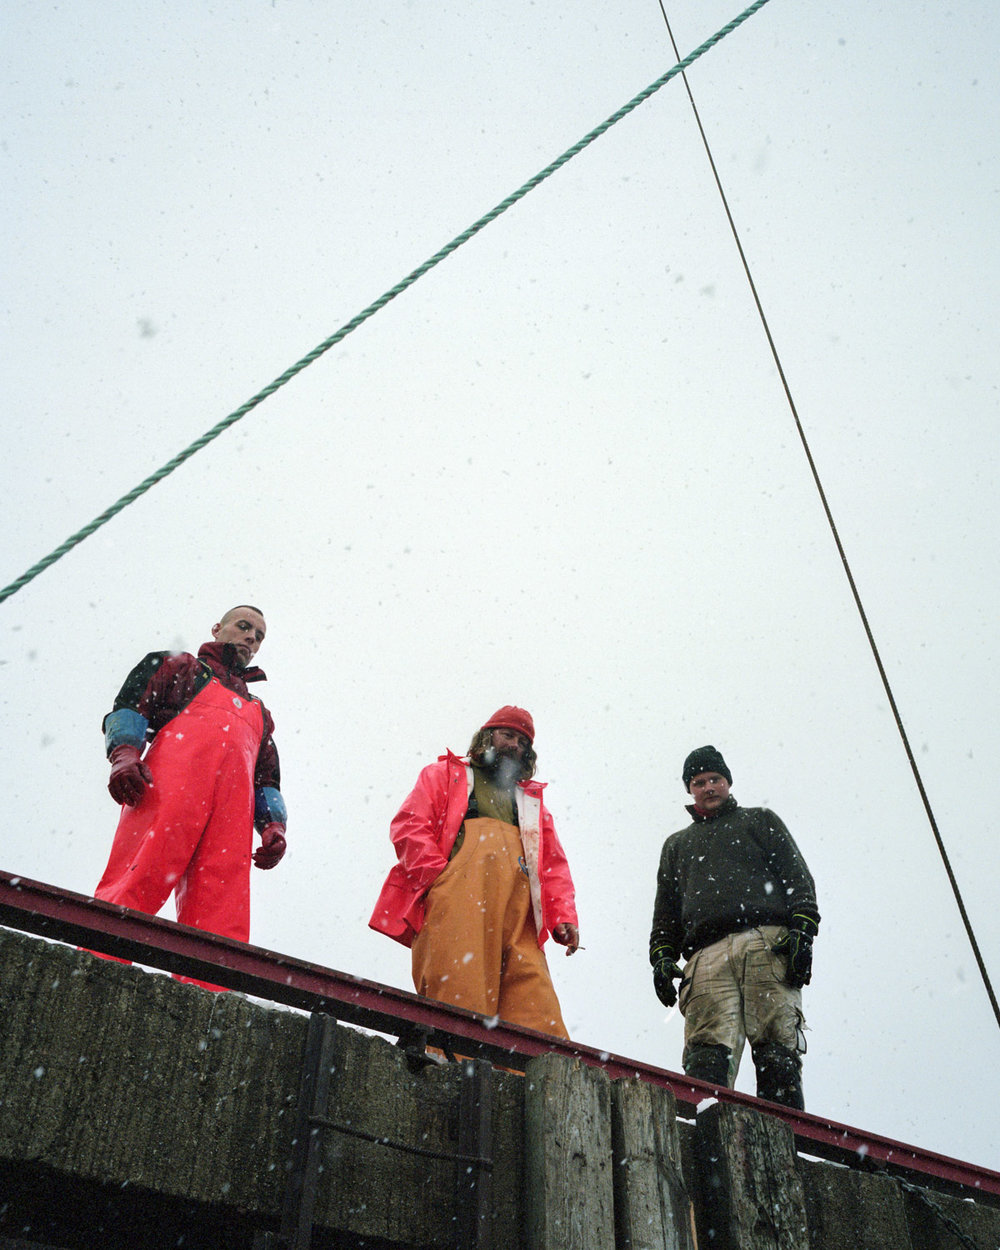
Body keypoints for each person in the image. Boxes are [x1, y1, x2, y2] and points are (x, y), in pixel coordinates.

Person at [94, 605, 287, 980]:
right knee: (138, 876)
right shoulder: (179, 668)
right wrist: (124, 753)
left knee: (222, 908)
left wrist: (273, 825)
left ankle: (211, 997)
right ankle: (99, 969)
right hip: (170, 789)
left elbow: (267, 778)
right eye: (244, 626)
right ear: (218, 628)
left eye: (259, 635)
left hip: (231, 814)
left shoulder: (259, 712)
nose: (251, 637)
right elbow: (131, 705)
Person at [370, 706, 580, 1037]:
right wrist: (440, 879)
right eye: (507, 735)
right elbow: (410, 825)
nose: (514, 746)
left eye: (523, 742)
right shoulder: (445, 775)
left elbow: (552, 865)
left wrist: (563, 916)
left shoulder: (531, 802)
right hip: (459, 905)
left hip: (519, 915)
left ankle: (527, 1082)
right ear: (487, 737)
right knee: (459, 998)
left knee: (537, 1019)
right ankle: (449, 1072)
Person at [649, 745, 819, 1109]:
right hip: (705, 953)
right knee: (708, 1049)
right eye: (699, 782)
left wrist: (803, 932)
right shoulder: (677, 846)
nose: (709, 787)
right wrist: (661, 958)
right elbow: (666, 913)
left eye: (715, 779)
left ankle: (781, 1131)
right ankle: (706, 1132)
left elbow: (797, 880)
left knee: (776, 1041)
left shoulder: (760, 821)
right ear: (689, 789)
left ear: (728, 782)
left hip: (766, 939)